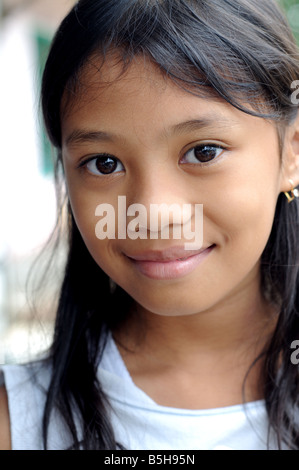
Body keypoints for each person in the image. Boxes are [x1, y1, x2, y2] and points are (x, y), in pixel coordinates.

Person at [1, 0, 299, 450]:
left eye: (203, 152)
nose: (153, 213)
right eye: (104, 163)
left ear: (292, 152)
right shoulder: (16, 423)